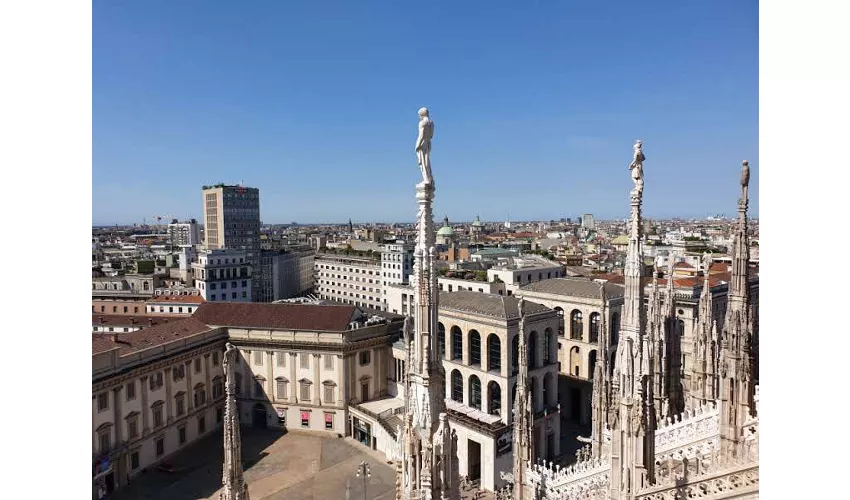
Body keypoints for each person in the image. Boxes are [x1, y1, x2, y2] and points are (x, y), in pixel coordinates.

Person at [415, 108, 434, 185]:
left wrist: (417, 145)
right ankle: (430, 179)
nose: (419, 117)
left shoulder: (422, 123)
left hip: (423, 143)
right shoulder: (431, 123)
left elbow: (421, 135)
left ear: (422, 114)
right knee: (427, 162)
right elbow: (431, 135)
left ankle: (426, 179)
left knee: (422, 162)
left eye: (419, 115)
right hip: (428, 142)